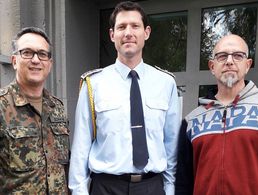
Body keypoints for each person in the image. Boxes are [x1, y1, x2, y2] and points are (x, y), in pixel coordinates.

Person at [69, 1, 180, 195]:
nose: (128, 32)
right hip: (106, 187)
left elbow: (171, 145)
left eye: (135, 26)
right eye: (121, 27)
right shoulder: (93, 84)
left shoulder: (166, 83)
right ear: (112, 35)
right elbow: (81, 147)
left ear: (146, 33)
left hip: (152, 187)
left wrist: (170, 189)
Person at [175, 34, 257, 195]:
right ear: (212, 66)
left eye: (238, 56)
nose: (229, 61)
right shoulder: (192, 120)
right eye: (222, 56)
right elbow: (183, 182)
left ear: (248, 65)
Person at [0, 27, 70, 194]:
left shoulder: (57, 108)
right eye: (27, 53)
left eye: (42, 54)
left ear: (50, 64)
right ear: (14, 61)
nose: (36, 60)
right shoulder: (2, 106)